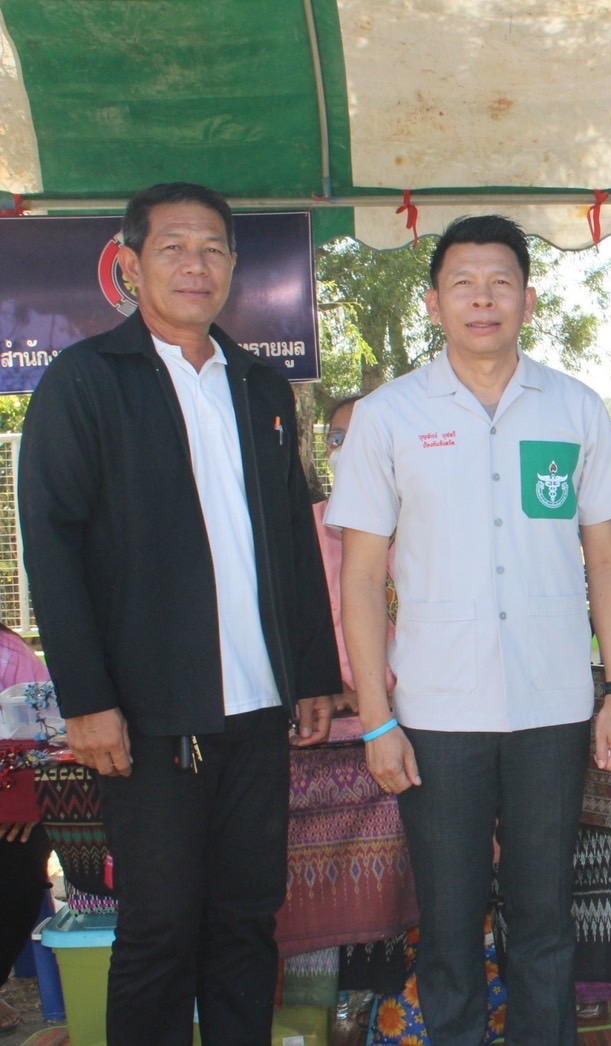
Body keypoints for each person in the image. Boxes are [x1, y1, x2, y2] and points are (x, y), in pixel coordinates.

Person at [18, 182, 341, 1044]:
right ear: (129, 266)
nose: (194, 266)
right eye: (173, 248)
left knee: (246, 922)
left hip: (259, 710)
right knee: (161, 931)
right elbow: (49, 546)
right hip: (149, 718)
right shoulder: (87, 382)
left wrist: (313, 673)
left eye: (212, 250)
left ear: (234, 268)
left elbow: (292, 540)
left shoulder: (262, 385)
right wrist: (86, 700)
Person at [328, 214, 611, 1044]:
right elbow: (361, 577)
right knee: (451, 927)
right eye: (463, 283)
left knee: (544, 922)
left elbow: (607, 559)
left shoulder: (574, 408)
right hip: (435, 714)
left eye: (500, 282)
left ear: (528, 300)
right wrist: (376, 717)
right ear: (433, 303)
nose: (482, 299)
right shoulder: (388, 418)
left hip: (553, 708)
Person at [312, 394, 395, 714]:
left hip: (416, 711)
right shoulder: (306, 530)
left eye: (361, 436)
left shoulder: (419, 527)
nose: (347, 448)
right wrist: (334, 689)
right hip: (333, 714)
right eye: (338, 438)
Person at [0, 625, 51, 1034]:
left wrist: (22, 797)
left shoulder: (11, 657)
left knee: (18, 866)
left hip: (7, 799)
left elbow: (48, 736)